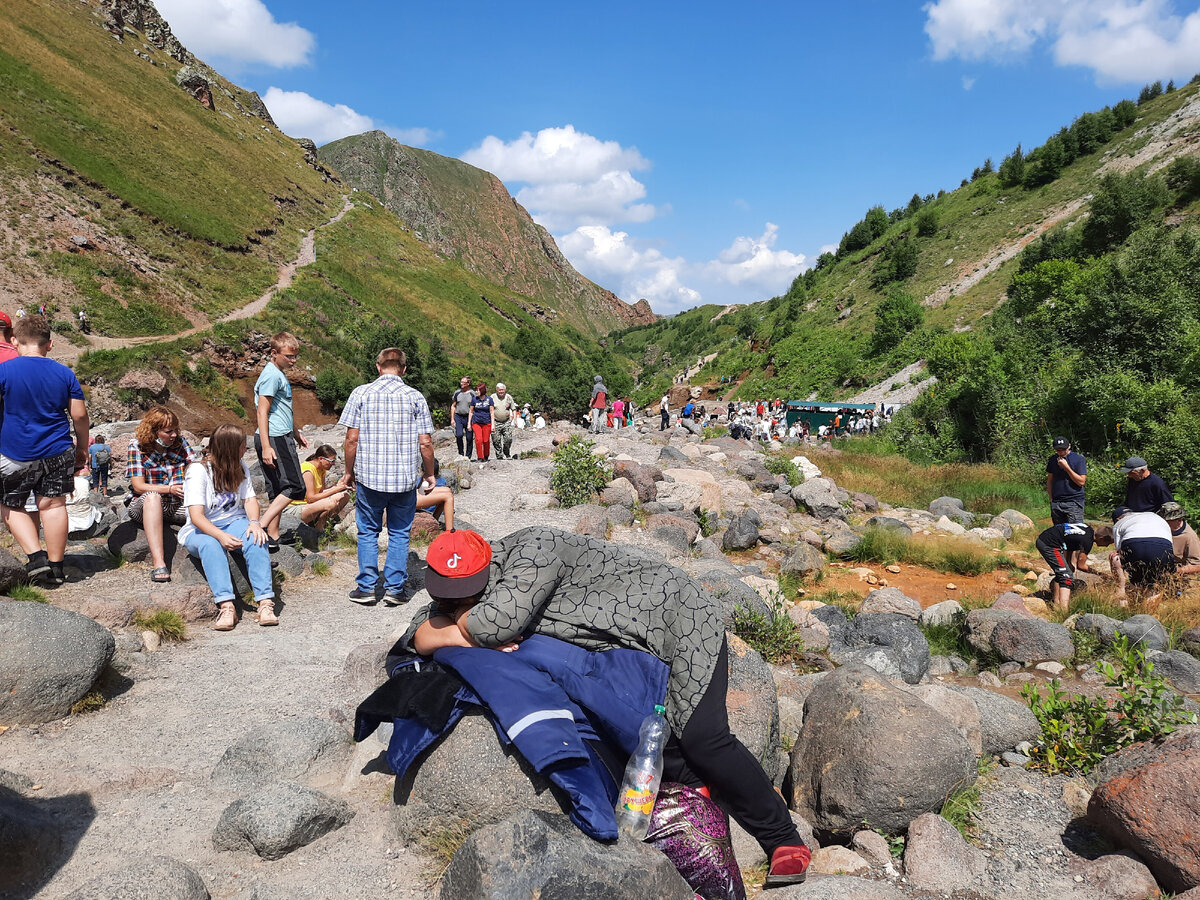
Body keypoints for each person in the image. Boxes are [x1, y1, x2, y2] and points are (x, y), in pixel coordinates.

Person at [405, 526, 811, 889]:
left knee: (704, 738)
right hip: (629, 643)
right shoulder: (474, 588)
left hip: (680, 620)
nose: (463, 599)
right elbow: (417, 634)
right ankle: (706, 792)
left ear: (487, 564)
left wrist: (455, 627)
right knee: (637, 727)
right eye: (450, 596)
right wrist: (453, 626)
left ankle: (783, 839)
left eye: (469, 590)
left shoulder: (535, 548)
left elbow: (494, 624)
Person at [340, 347, 435, 606]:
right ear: (404, 369)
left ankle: (367, 588)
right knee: (399, 533)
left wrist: (348, 472)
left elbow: (351, 438)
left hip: (369, 477)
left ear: (378, 367)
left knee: (368, 532)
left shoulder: (361, 393)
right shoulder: (414, 397)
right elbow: (425, 443)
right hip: (403, 479)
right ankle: (395, 589)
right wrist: (430, 474)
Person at [0, 315, 89, 584]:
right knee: (53, 505)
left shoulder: (4, 371)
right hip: (58, 450)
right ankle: (56, 566)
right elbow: (80, 416)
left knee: (8, 504)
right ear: (50, 344)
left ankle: (35, 557)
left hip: (14, 451)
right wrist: (82, 448)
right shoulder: (64, 373)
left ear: (14, 340)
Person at [180, 424, 276, 630]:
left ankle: (265, 602)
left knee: (256, 537)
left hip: (234, 520)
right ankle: (226, 605)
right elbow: (196, 516)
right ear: (230, 448)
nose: (245, 450)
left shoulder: (240, 465)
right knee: (211, 545)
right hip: (200, 528)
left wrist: (254, 523)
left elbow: (249, 500)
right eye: (243, 446)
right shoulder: (198, 471)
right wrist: (220, 536)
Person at [126, 406, 200, 582]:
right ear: (154, 431)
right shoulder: (137, 446)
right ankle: (159, 563)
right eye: (169, 431)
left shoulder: (180, 444)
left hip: (176, 504)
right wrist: (169, 489)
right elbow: (138, 486)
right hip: (144, 504)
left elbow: (197, 468)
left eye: (175, 430)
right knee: (153, 497)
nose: (174, 435)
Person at [254, 332, 309, 548]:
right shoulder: (272, 375)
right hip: (274, 438)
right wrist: (267, 446)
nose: (293, 360)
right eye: (289, 356)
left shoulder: (278, 372)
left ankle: (273, 536)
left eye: (296, 356)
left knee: (277, 488)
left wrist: (296, 433)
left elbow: (282, 410)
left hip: (279, 435)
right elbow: (262, 411)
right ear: (274, 353)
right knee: (296, 488)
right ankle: (261, 526)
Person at [1099, 506, 1176, 601]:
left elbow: (1118, 551)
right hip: (1163, 549)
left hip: (1135, 546)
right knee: (1152, 585)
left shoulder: (1119, 523)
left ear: (1118, 519)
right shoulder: (1156, 517)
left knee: (1115, 557)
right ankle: (1149, 609)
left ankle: (1121, 590)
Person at [1034, 522, 1096, 613]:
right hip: (1049, 545)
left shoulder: (1088, 530)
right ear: (1103, 538)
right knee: (1066, 576)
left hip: (1046, 538)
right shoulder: (1088, 541)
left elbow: (1070, 542)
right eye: (1109, 542)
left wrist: (1068, 562)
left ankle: (1056, 605)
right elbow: (1081, 566)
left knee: (1063, 573)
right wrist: (1098, 573)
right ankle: (1064, 612)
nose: (1107, 546)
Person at [290, 445, 350, 530]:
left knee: (344, 496)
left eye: (334, 461)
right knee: (330, 503)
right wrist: (336, 489)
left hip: (310, 505)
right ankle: (319, 530)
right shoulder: (308, 470)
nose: (333, 464)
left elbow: (321, 492)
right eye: (331, 461)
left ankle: (320, 525)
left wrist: (338, 486)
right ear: (321, 459)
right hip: (298, 507)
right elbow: (311, 498)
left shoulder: (322, 469)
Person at [1045, 437, 1087, 524]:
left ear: (1069, 447)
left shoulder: (1078, 459)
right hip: (1057, 502)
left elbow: (1081, 482)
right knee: (1059, 532)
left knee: (1074, 532)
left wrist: (1066, 467)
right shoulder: (1052, 459)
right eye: (1058, 450)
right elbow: (1050, 480)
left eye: (1063, 449)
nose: (1061, 452)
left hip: (1074, 502)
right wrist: (1051, 498)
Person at [1158, 501, 1200, 576]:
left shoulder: (1190, 537)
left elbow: (1197, 565)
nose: (1163, 522)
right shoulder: (1162, 529)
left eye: (1167, 521)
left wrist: (1177, 570)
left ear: (1179, 520)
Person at [415, 459, 455, 531]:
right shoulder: (442, 480)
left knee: (447, 490)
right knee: (447, 496)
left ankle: (434, 521)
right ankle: (449, 531)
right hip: (409, 497)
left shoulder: (419, 480)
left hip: (415, 494)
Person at [491, 383, 519, 460]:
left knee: (508, 439)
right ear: (497, 390)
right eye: (499, 390)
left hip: (506, 422)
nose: (501, 391)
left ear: (505, 390)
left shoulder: (509, 397)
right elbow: (489, 410)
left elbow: (513, 409)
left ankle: (506, 452)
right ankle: (499, 455)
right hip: (495, 422)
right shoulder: (492, 397)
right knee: (496, 440)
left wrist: (515, 420)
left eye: (502, 390)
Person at [451, 376, 475, 459]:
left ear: (468, 383)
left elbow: (475, 407)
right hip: (458, 416)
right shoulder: (457, 393)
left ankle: (468, 455)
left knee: (469, 437)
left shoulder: (472, 394)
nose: (461, 384)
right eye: (461, 382)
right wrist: (452, 418)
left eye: (463, 382)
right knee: (459, 435)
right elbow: (453, 406)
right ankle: (461, 453)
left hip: (469, 417)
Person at [470, 381, 494, 462]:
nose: (476, 392)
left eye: (478, 390)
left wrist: (493, 425)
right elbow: (471, 412)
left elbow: (492, 412)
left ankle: (486, 455)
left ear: (482, 391)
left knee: (486, 440)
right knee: (478, 440)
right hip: (476, 422)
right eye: (476, 390)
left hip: (487, 422)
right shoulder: (474, 400)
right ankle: (480, 457)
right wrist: (469, 424)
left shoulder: (489, 399)